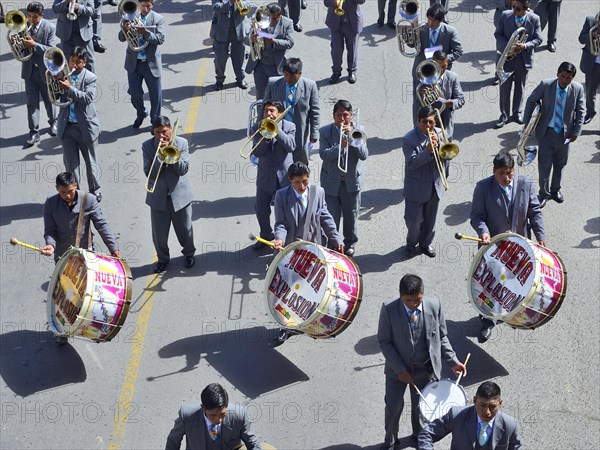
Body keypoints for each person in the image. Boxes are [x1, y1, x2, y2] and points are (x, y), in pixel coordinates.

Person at [378, 274, 467, 449]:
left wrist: (453, 361)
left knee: (421, 409)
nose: (413, 304)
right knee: (393, 407)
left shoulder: (435, 306)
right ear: (400, 295)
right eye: (408, 300)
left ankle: (419, 436)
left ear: (423, 294)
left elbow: (441, 337)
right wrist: (399, 370)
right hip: (397, 372)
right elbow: (384, 342)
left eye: (417, 300)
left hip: (425, 371)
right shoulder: (388, 309)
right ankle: (390, 440)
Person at [470, 152, 546, 342]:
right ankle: (487, 321)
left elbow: (534, 212)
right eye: (502, 173)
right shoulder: (483, 188)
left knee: (513, 284)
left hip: (519, 248)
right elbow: (477, 216)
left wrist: (541, 237)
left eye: (510, 173)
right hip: (493, 249)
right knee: (490, 287)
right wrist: (483, 232)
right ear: (494, 171)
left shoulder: (525, 184)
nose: (506, 177)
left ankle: (507, 313)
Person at [272, 161, 343, 345]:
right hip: (292, 251)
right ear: (290, 180)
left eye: (305, 181)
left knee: (310, 288)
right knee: (288, 291)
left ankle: (307, 322)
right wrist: (279, 238)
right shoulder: (281, 196)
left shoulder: (317, 192)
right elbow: (280, 224)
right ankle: (286, 326)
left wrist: (336, 238)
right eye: (297, 182)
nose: (302, 186)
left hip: (314, 250)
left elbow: (325, 216)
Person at [523, 61, 585, 208]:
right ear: (557, 74)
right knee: (544, 166)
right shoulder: (546, 85)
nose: (564, 80)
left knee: (560, 164)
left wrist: (576, 131)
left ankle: (555, 190)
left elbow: (581, 111)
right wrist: (527, 124)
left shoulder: (577, 89)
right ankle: (543, 194)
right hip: (546, 133)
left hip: (565, 135)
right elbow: (531, 101)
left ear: (573, 78)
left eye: (569, 78)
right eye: (562, 76)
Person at [143, 116, 196, 273]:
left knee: (185, 230)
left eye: (164, 132)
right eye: (157, 132)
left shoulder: (181, 143)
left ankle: (189, 254)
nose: (161, 136)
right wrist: (160, 157)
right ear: (153, 132)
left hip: (180, 196)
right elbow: (149, 173)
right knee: (159, 234)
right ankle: (163, 259)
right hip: (158, 197)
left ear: (171, 130)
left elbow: (183, 169)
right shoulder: (147, 146)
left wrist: (172, 157)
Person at [319, 100, 368, 256]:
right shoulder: (325, 131)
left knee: (351, 215)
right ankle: (333, 243)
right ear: (333, 116)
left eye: (345, 115)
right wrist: (341, 146)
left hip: (352, 182)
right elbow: (324, 155)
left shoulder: (359, 130)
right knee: (331, 216)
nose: (342, 119)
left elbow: (364, 155)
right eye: (338, 115)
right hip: (331, 182)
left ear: (350, 115)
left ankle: (350, 244)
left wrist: (353, 140)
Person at [55, 46, 102, 201]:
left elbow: (87, 98)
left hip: (85, 128)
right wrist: (55, 83)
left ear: (85, 62)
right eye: (72, 60)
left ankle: (95, 190)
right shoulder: (63, 74)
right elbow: (54, 97)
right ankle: (75, 193)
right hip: (67, 127)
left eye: (78, 62)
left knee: (91, 163)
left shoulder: (90, 78)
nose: (74, 65)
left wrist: (69, 88)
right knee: (71, 165)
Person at [418, 381, 522, 449]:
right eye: (482, 405)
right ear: (474, 400)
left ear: (500, 404)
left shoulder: (511, 425)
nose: (487, 412)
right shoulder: (457, 415)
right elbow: (426, 434)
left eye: (492, 406)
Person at [42, 172, 120, 262]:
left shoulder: (89, 200)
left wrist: (113, 248)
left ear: (75, 185)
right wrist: (51, 245)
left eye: (70, 191)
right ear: (57, 188)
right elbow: (50, 230)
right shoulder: (50, 203)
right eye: (63, 192)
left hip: (86, 253)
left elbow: (101, 225)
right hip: (63, 255)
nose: (67, 195)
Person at [402, 105, 448, 259]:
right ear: (418, 121)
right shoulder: (409, 139)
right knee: (413, 221)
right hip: (416, 187)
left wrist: (440, 145)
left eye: (431, 122)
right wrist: (427, 151)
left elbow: (448, 156)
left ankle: (426, 243)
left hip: (435, 185)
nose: (429, 126)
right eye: (425, 122)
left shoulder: (441, 133)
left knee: (431, 219)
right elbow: (412, 163)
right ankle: (411, 243)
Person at [166, 383, 265, 450]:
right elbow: (173, 441)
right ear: (203, 408)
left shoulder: (240, 415)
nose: (219, 419)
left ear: (226, 406)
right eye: (213, 415)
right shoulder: (187, 416)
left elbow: (252, 442)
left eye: (222, 414)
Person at [252, 100, 296, 249]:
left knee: (285, 211)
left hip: (284, 177)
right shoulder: (258, 128)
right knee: (261, 210)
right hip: (265, 177)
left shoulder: (290, 126)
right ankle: (265, 235)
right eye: (266, 111)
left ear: (280, 113)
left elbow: (291, 146)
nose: (268, 114)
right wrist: (264, 138)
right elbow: (257, 152)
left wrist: (277, 131)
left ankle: (284, 240)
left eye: (272, 111)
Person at [411, 3, 463, 126]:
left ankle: (436, 129)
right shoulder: (421, 28)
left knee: (437, 102)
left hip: (439, 73)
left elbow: (458, 51)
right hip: (421, 72)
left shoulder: (450, 32)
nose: (430, 23)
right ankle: (418, 128)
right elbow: (414, 45)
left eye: (434, 20)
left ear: (441, 20)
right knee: (419, 102)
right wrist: (409, 37)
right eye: (429, 19)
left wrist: (443, 60)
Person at [494, 0, 542, 128]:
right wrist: (510, 46)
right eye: (514, 6)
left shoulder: (535, 19)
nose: (514, 10)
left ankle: (516, 113)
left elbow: (538, 39)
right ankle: (504, 115)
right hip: (506, 59)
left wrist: (525, 45)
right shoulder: (505, 15)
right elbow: (498, 34)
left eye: (518, 9)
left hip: (522, 60)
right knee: (504, 89)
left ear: (527, 9)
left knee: (520, 87)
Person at [263, 57, 320, 164]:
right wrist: (260, 128)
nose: (288, 79)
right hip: (278, 128)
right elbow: (264, 106)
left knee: (299, 159)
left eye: (293, 76)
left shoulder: (310, 86)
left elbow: (315, 111)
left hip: (299, 131)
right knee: (278, 159)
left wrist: (314, 133)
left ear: (300, 74)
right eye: (286, 75)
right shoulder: (273, 83)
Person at [118, 0, 165, 129]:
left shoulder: (158, 19)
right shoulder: (130, 16)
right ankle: (141, 113)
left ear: (152, 5)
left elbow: (160, 39)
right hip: (134, 63)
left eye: (147, 6)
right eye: (142, 6)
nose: (144, 9)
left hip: (151, 63)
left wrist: (145, 32)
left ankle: (155, 123)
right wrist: (125, 30)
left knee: (156, 97)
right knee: (134, 94)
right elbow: (121, 38)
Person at [19, 2, 58, 147]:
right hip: (29, 72)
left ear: (41, 16)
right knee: (31, 104)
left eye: (34, 17)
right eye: (29, 16)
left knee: (49, 100)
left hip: (44, 70)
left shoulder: (50, 27)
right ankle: (33, 132)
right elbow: (20, 51)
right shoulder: (23, 28)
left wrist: (35, 45)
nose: (31, 19)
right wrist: (18, 44)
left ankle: (54, 123)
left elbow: (51, 50)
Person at [244, 3, 294, 100]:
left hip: (277, 66)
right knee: (261, 96)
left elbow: (290, 43)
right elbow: (245, 39)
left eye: (275, 19)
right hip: (260, 66)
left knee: (277, 96)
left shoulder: (287, 23)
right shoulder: (259, 20)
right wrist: (251, 39)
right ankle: (261, 114)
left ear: (280, 15)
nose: (271, 21)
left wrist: (274, 41)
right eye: (270, 18)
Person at [415, 49, 464, 141]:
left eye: (444, 66)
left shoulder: (453, 77)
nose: (442, 69)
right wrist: (422, 96)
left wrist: (451, 103)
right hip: (428, 126)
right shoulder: (424, 78)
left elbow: (461, 99)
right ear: (433, 64)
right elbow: (418, 106)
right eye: (439, 66)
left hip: (445, 124)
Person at [210, 0, 250, 91]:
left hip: (239, 29)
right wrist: (230, 3)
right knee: (220, 57)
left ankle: (240, 79)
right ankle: (219, 80)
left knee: (239, 56)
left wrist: (241, 4)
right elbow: (216, 7)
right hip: (222, 30)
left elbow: (248, 5)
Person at [324, 0, 365, 84]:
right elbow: (326, 2)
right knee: (336, 50)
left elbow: (362, 1)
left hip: (352, 22)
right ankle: (336, 72)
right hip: (335, 22)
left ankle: (352, 71)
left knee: (352, 49)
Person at [52, 0, 96, 73]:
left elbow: (91, 10)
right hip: (66, 33)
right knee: (68, 62)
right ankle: (70, 82)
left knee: (89, 62)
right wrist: (66, 2)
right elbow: (55, 8)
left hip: (83, 33)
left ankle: (89, 82)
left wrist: (78, 7)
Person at [578, 13, 600, 125]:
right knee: (590, 90)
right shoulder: (590, 20)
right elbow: (581, 38)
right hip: (594, 63)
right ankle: (590, 112)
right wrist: (592, 35)